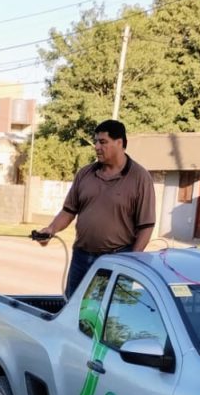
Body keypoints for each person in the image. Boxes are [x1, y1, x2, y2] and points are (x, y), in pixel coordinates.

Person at [34, 119, 155, 298]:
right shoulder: (85, 174)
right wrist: (51, 229)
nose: (97, 146)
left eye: (103, 142)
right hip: (81, 258)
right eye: (96, 141)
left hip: (117, 260)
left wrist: (131, 261)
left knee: (108, 318)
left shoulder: (140, 178)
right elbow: (68, 211)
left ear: (119, 142)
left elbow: (146, 226)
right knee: (72, 311)